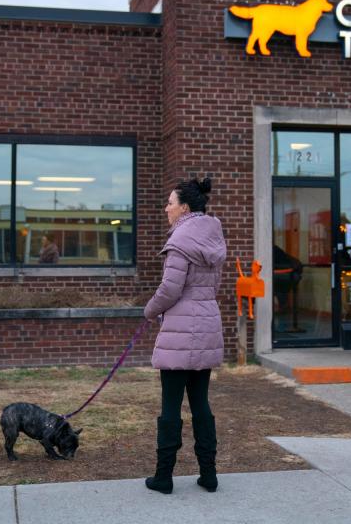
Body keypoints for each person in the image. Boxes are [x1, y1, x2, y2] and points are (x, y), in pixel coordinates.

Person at [143, 177, 226, 494]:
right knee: (201, 404)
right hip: (206, 325)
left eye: (170, 203)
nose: (166, 208)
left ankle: (163, 477)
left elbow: (170, 289)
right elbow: (210, 288)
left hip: (179, 331)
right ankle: (209, 474)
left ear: (185, 208)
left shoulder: (180, 242)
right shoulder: (213, 240)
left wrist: (149, 310)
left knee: (170, 407)